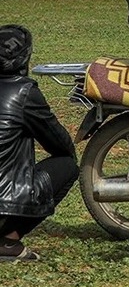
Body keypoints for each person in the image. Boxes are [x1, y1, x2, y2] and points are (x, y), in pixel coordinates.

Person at [0, 25, 79, 262]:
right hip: (5, 203)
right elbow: (59, 144)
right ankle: (8, 241)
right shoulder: (23, 92)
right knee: (67, 166)